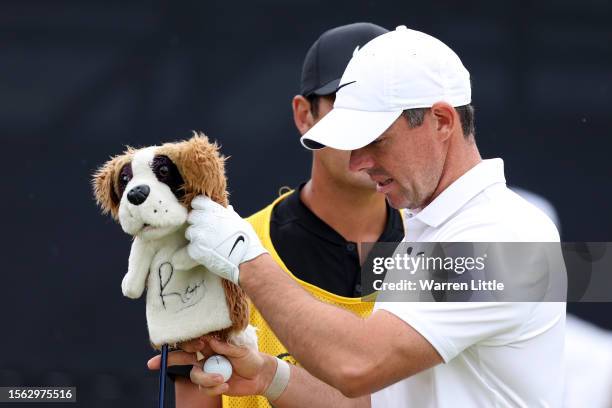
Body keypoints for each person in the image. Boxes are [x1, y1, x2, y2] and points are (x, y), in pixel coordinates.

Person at [155, 26, 566, 407]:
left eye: (375, 141)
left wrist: (244, 257)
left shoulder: (507, 237)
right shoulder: (435, 229)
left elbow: (357, 366)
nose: (359, 163)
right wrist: (268, 375)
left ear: (441, 121)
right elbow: (379, 401)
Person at [155, 23, 402, 408]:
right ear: (304, 115)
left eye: (384, 108)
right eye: (349, 103)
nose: (367, 128)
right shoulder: (215, 254)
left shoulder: (447, 250)